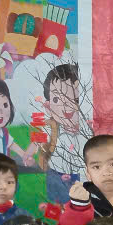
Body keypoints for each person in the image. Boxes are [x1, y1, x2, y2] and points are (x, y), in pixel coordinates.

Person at [39, 63, 90, 203]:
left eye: (75, 98)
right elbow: (43, 148)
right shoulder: (52, 127)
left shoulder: (88, 128)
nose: (66, 106)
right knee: (58, 205)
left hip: (81, 174)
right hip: (56, 173)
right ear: (48, 106)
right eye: (57, 99)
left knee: (82, 203)